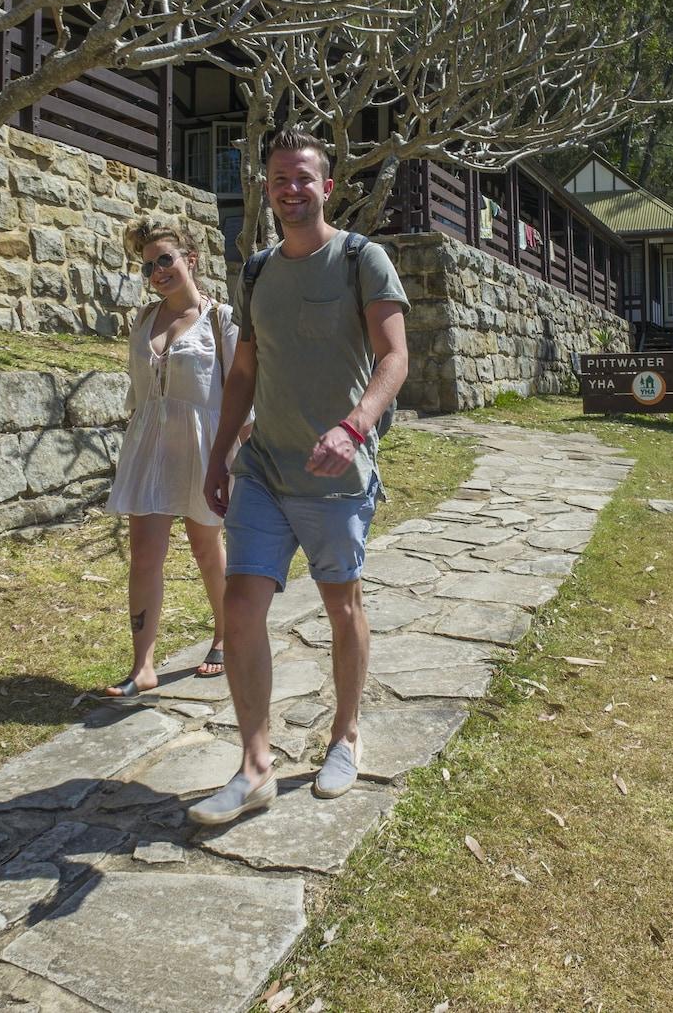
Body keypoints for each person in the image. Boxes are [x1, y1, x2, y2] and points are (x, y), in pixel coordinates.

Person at [188, 127, 409, 825]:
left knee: (342, 605)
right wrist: (220, 451)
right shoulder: (256, 271)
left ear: (327, 185)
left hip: (337, 474)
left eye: (303, 178)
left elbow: (395, 357)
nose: (291, 189)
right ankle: (255, 765)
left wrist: (354, 428)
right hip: (264, 469)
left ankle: (344, 734)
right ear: (267, 188)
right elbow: (245, 370)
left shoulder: (360, 259)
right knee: (241, 604)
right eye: (280, 179)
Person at [98, 218, 240, 697]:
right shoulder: (142, 321)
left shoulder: (220, 320)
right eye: (147, 266)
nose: (157, 271)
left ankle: (225, 636)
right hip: (149, 450)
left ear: (190, 260)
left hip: (204, 450)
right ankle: (143, 665)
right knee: (144, 555)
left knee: (206, 549)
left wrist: (237, 457)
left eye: (165, 259)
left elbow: (240, 394)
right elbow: (139, 394)